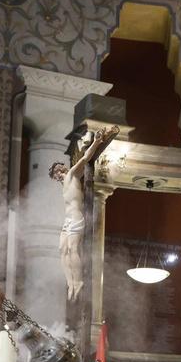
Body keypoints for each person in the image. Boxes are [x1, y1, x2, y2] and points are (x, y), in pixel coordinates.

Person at [53, 125, 119, 301]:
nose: (59, 173)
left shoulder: (73, 174)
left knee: (73, 248)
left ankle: (79, 281)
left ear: (64, 169)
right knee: (62, 249)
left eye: (60, 169)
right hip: (67, 220)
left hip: (76, 217)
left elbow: (86, 158)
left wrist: (97, 141)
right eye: (56, 173)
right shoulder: (64, 184)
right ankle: (71, 283)